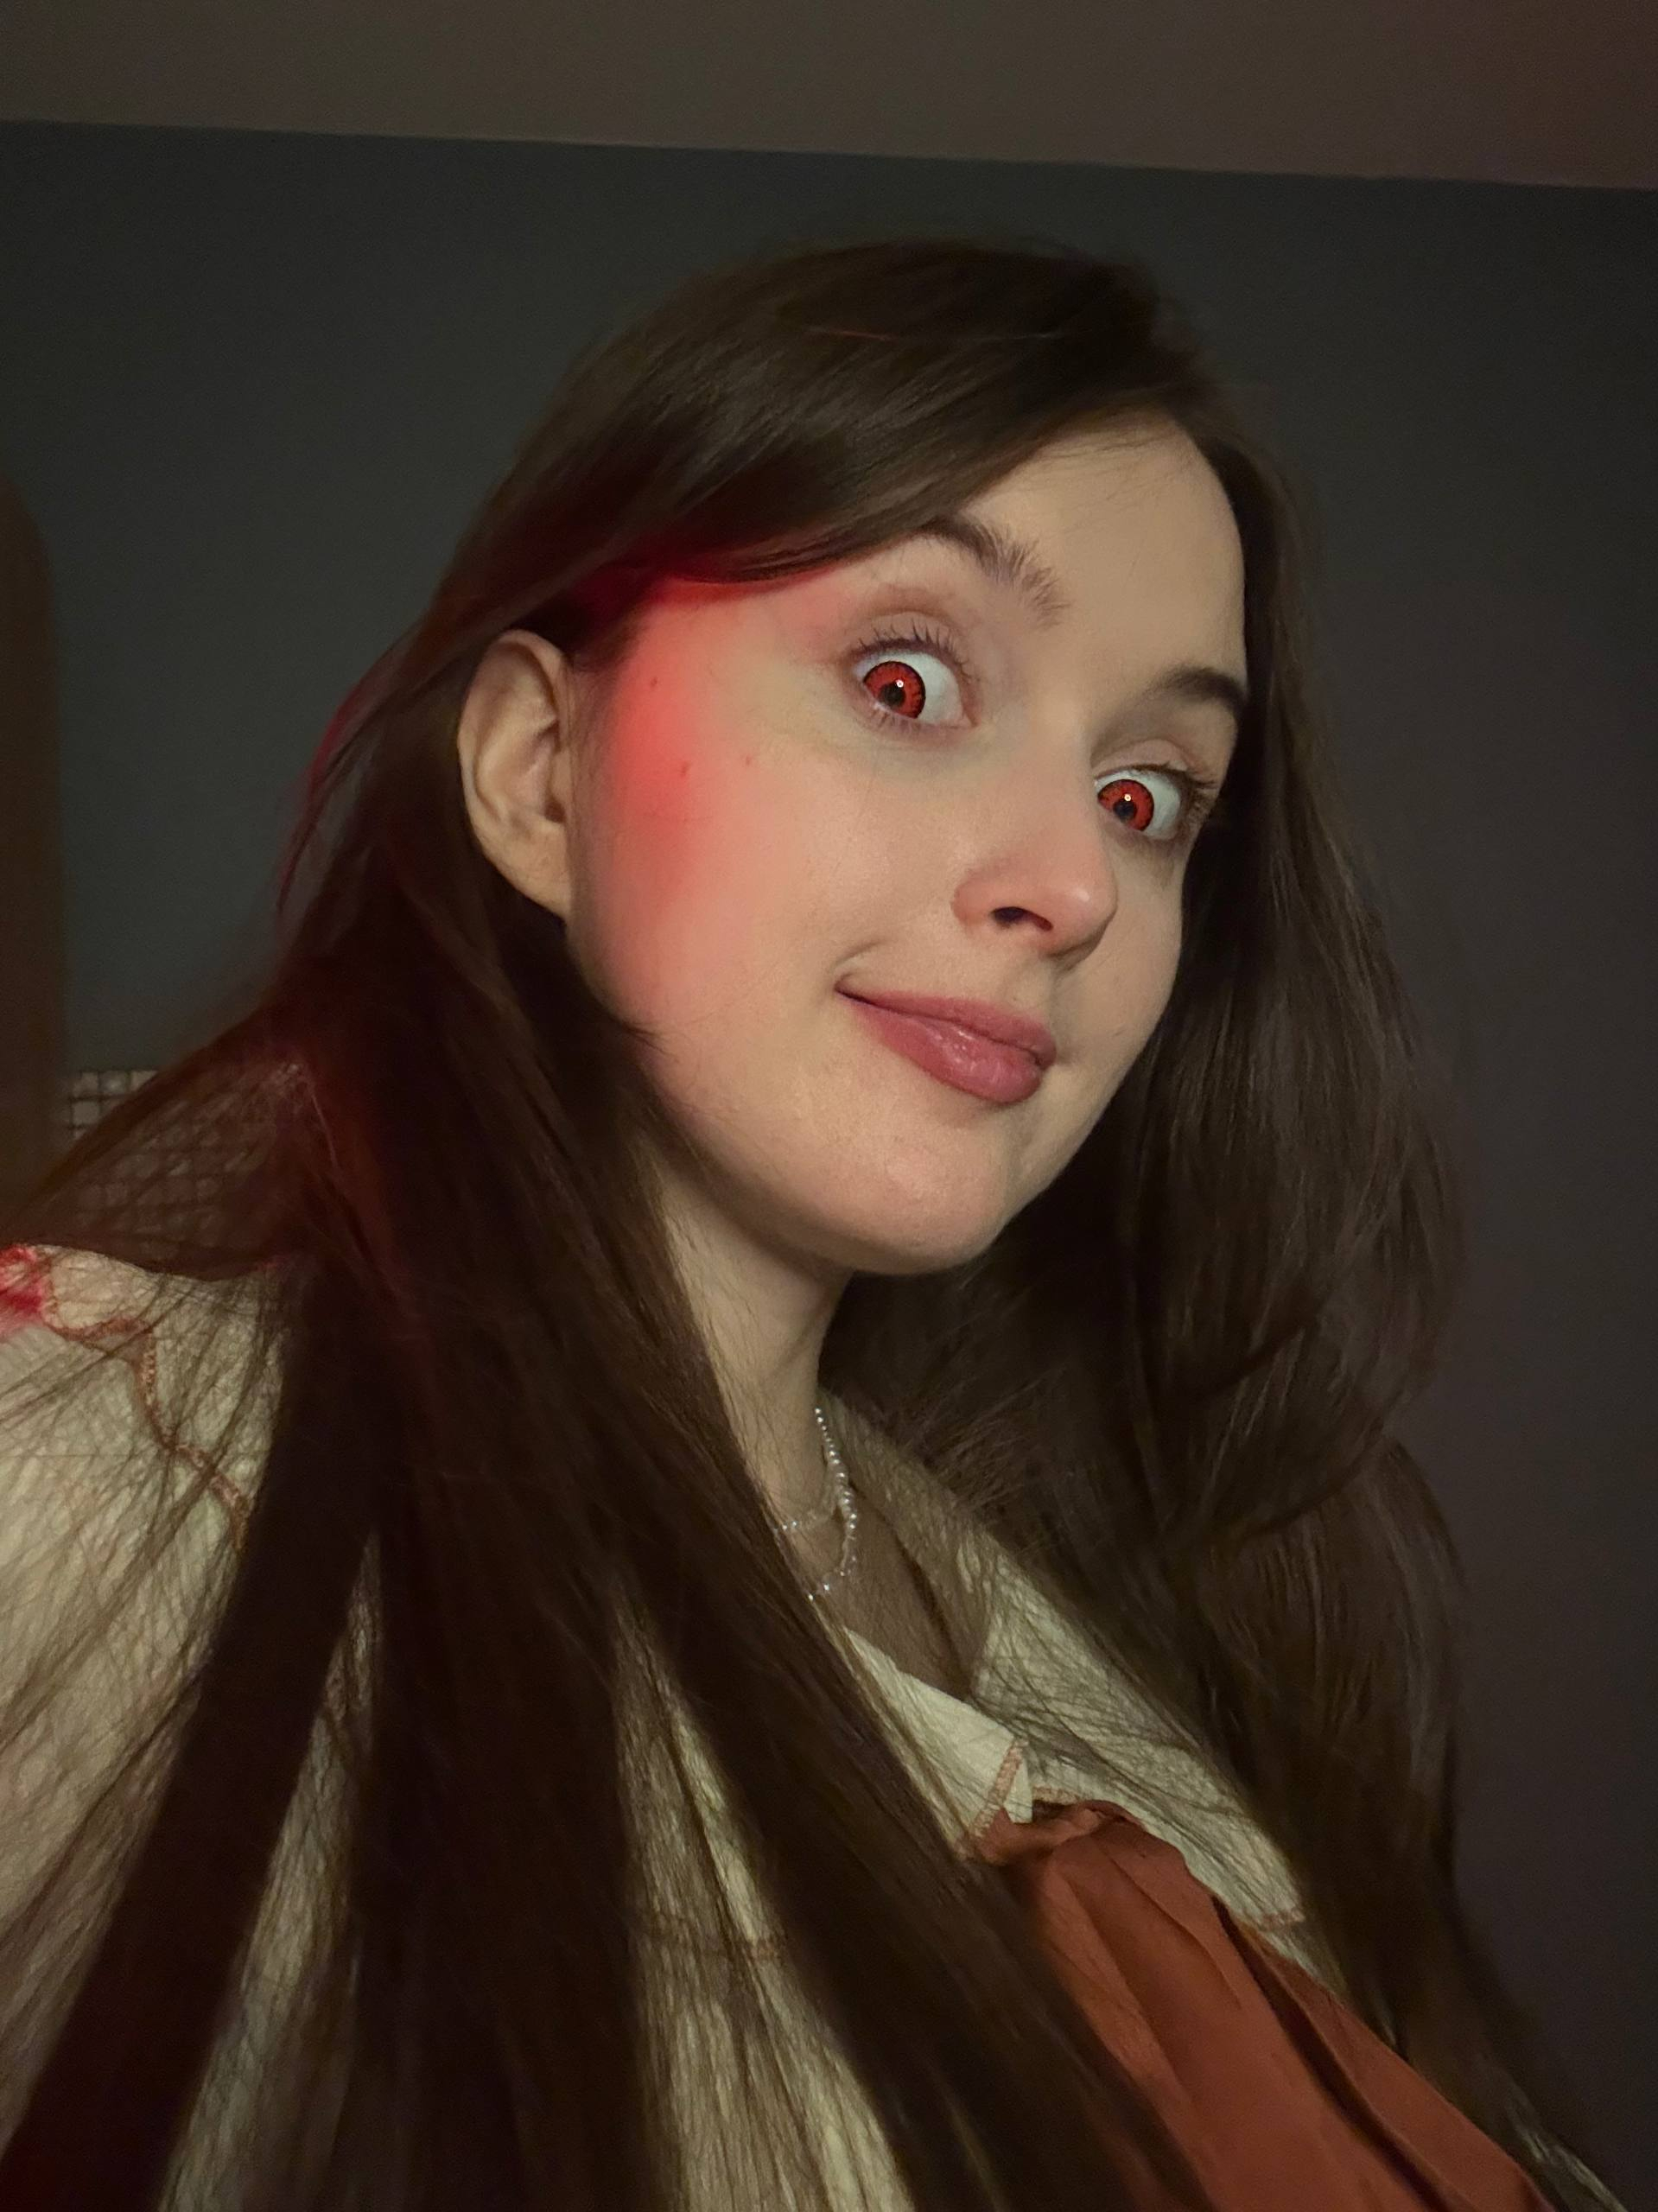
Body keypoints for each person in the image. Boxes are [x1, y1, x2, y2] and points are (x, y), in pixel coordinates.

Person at [0, 235, 1626, 2212]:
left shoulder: (1125, 1619)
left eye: (1146, 792)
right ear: (537, 773)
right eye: (905, 679)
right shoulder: (86, 1470)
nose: (1071, 884)